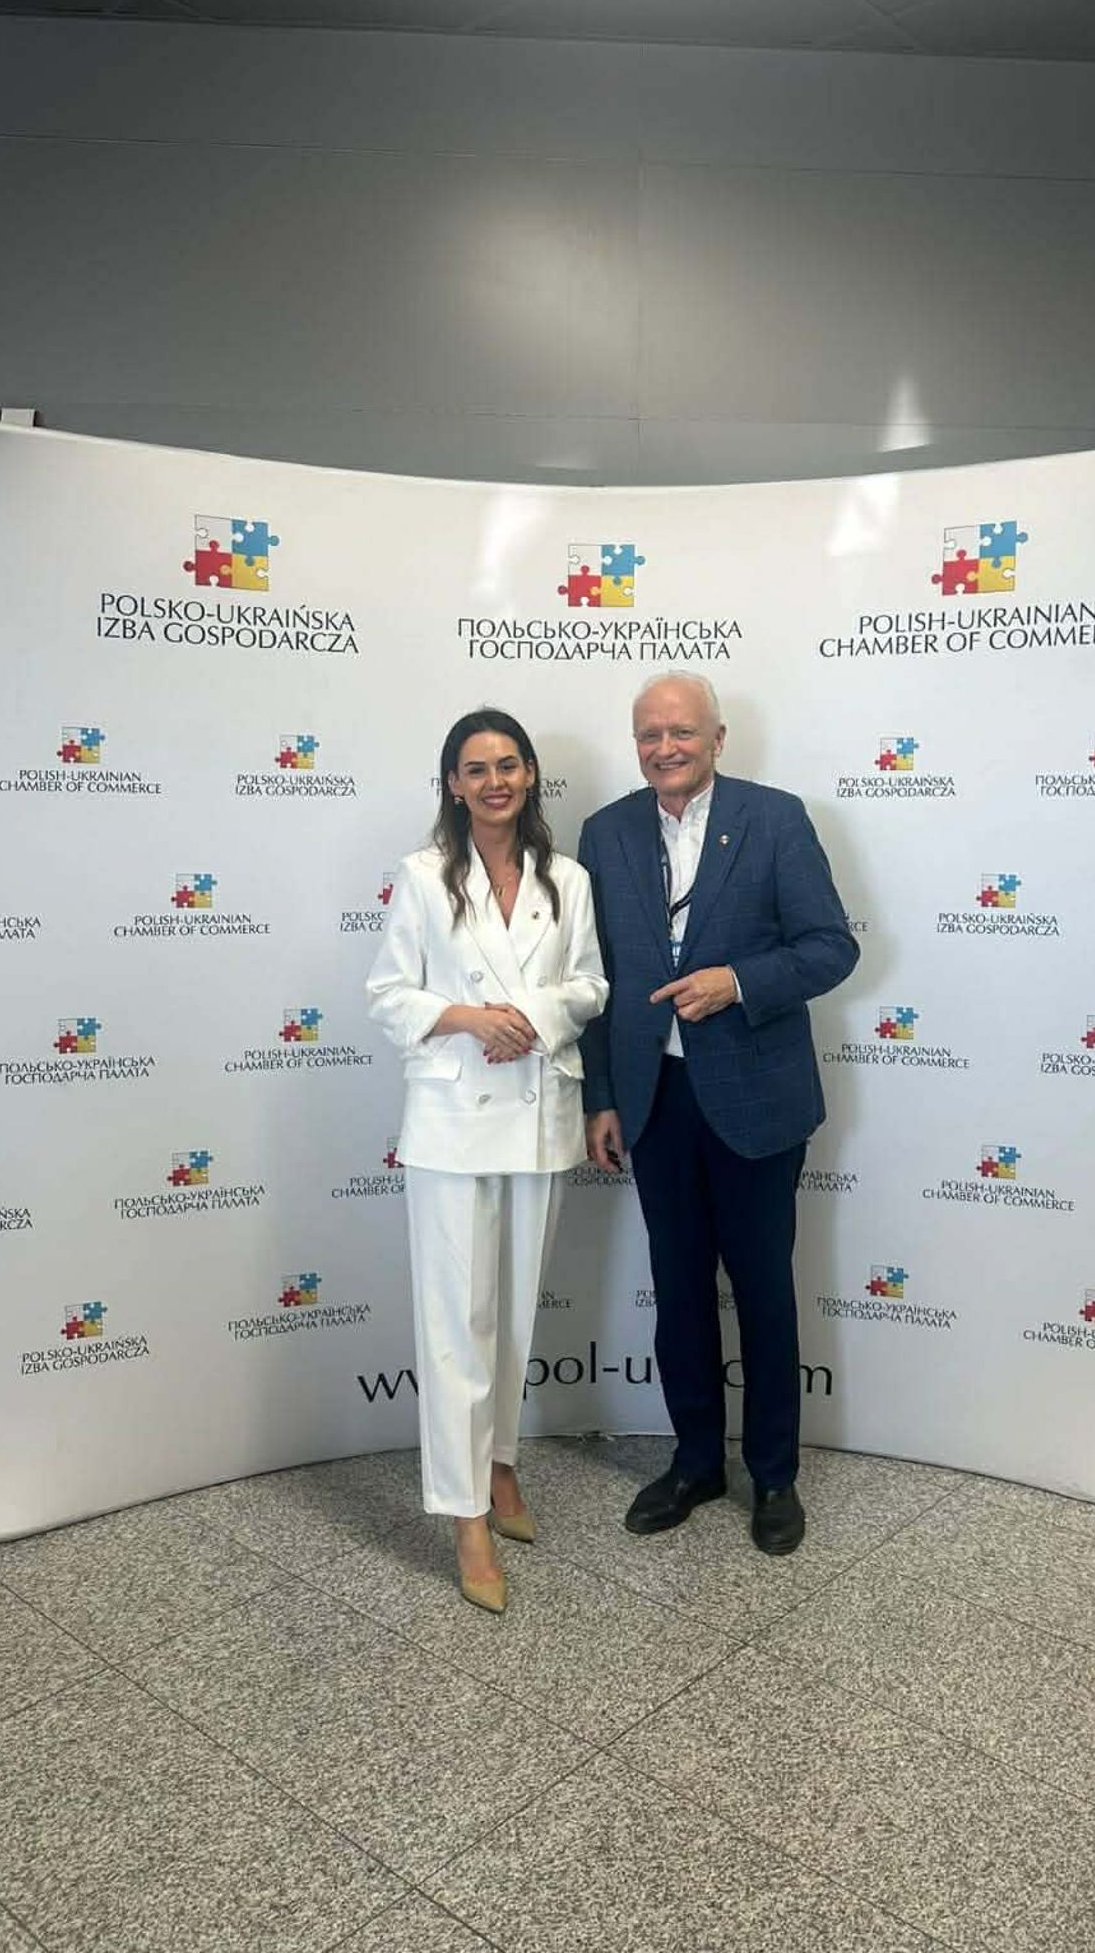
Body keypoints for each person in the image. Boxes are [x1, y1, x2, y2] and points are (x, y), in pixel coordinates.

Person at [578, 674, 858, 1555]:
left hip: (757, 1100)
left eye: (682, 732)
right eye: (649, 734)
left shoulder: (776, 819)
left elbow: (831, 947)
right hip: (655, 1102)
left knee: (765, 1291)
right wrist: (601, 1097)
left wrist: (737, 981)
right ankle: (696, 1462)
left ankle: (774, 1475)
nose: (665, 748)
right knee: (679, 1291)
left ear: (717, 738)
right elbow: (593, 980)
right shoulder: (606, 832)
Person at [367, 709, 607, 1613]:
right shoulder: (423, 876)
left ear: (531, 774)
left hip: (538, 1111)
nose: (494, 781)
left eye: (508, 764)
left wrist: (529, 1021)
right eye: (476, 769)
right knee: (455, 1324)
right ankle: (465, 1515)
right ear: (453, 785)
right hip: (453, 1121)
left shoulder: (567, 879)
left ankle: (501, 1464)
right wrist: (470, 1019)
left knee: (512, 1314)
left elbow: (590, 983)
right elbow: (387, 993)